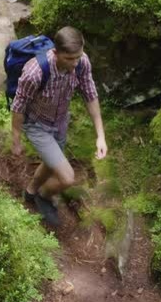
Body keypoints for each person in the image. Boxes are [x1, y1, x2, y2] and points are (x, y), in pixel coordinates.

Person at [11, 26, 108, 227]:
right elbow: (18, 106)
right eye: (69, 58)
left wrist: (100, 136)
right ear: (55, 53)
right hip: (36, 125)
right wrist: (16, 140)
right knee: (67, 178)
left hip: (60, 122)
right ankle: (44, 196)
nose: (75, 63)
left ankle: (30, 192)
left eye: (78, 57)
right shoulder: (35, 72)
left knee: (51, 162)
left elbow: (90, 95)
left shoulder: (82, 62)